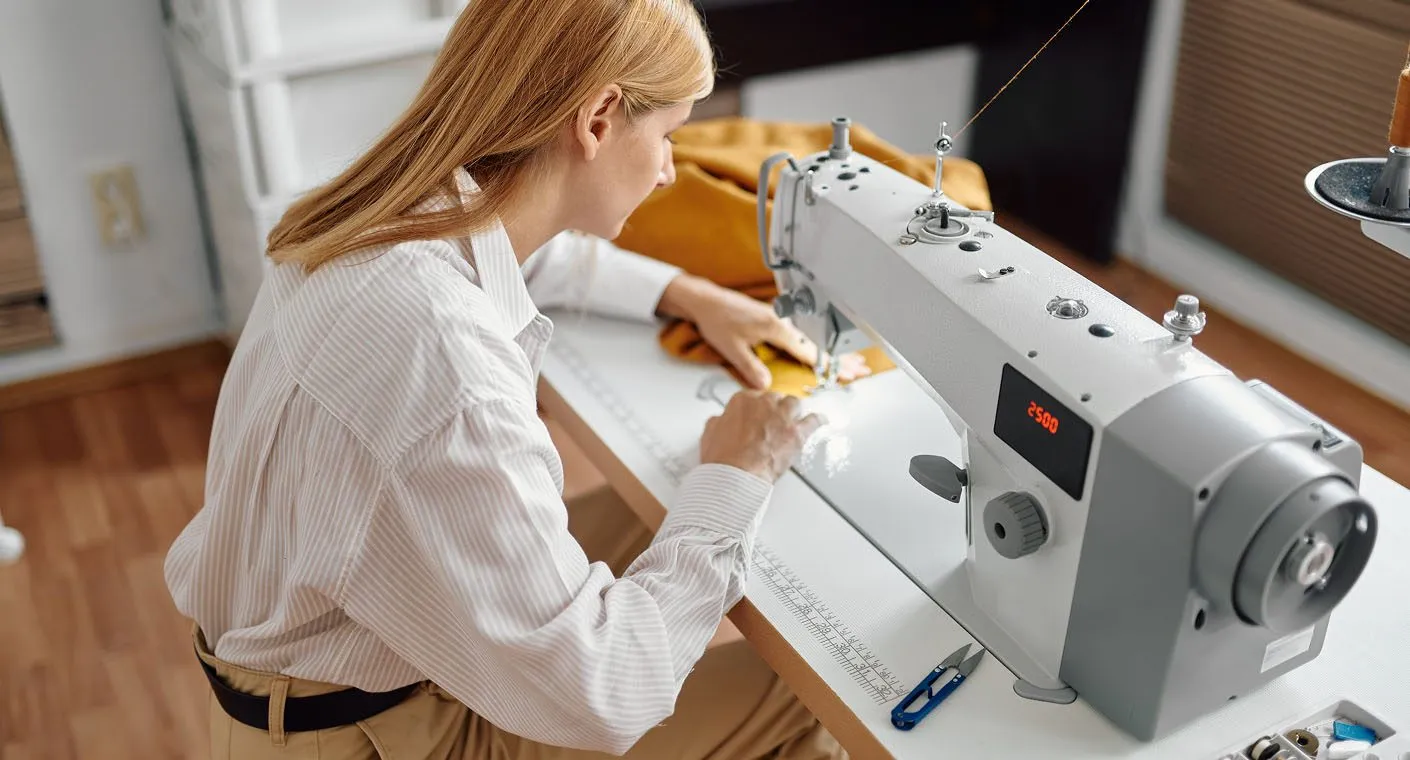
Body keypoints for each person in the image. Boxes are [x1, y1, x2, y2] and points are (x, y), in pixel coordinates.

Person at [162, 0, 859, 757]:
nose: (668, 172)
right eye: (667, 135)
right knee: (809, 700)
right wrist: (739, 473)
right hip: (366, 735)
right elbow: (606, 691)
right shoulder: (444, 358)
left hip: (307, 670)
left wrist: (685, 294)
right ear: (598, 119)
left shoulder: (385, 210)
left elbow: (529, 252)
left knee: (660, 496)